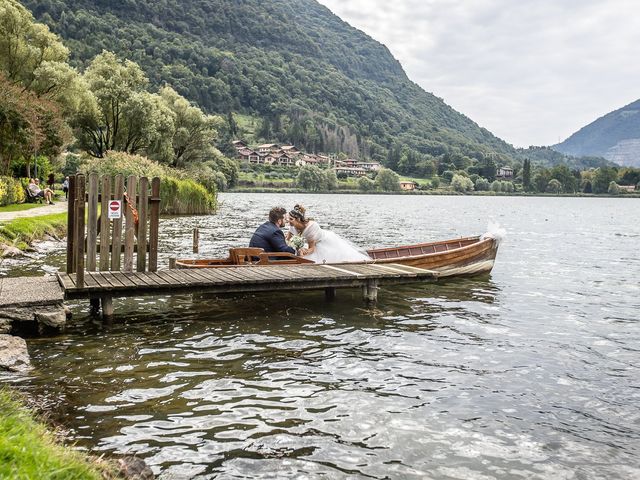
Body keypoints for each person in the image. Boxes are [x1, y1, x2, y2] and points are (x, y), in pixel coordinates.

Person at [288, 204, 370, 263]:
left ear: (298, 219)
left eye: (291, 219)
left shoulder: (311, 227)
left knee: (316, 258)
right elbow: (287, 240)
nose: (289, 221)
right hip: (309, 244)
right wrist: (296, 247)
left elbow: (312, 249)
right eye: (288, 218)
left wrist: (303, 252)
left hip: (323, 242)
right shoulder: (292, 226)